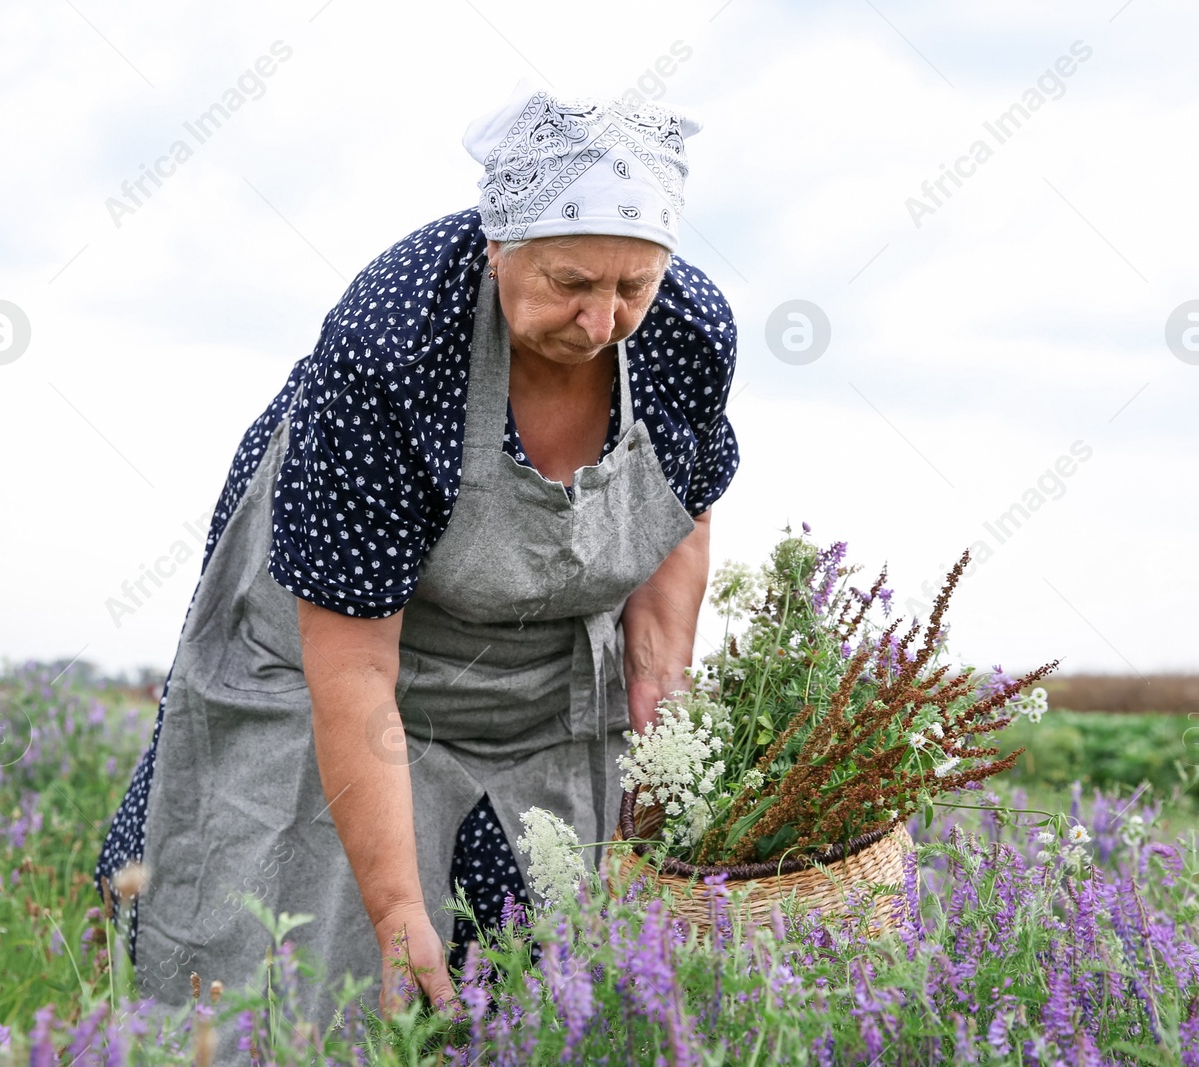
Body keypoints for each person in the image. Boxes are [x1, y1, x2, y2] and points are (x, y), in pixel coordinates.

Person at [95, 85, 739, 1023]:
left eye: (629, 287)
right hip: (333, 660)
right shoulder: (395, 345)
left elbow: (681, 504)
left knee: (540, 980)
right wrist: (397, 910)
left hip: (531, 674)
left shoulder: (687, 331)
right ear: (498, 245)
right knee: (296, 972)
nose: (602, 322)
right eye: (570, 284)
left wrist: (658, 692)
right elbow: (354, 668)